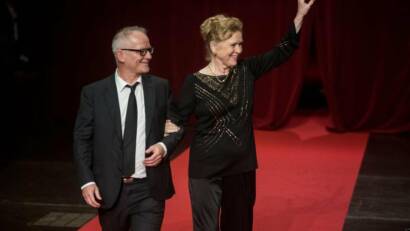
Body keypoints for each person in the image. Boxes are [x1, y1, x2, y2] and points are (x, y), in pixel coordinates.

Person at [170, 0, 315, 230]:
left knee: (239, 225)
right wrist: (159, 146)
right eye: (233, 44)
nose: (239, 50)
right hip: (205, 169)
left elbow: (282, 51)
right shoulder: (194, 83)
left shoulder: (246, 70)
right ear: (214, 45)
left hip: (240, 167)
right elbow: (177, 121)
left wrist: (300, 16)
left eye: (240, 44)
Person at [73, 26, 183, 231]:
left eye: (150, 50)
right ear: (120, 55)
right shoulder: (94, 93)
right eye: (142, 51)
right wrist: (86, 181)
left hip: (149, 190)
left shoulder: (160, 87)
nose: (148, 56)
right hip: (111, 190)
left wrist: (163, 146)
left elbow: (177, 127)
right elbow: (82, 139)